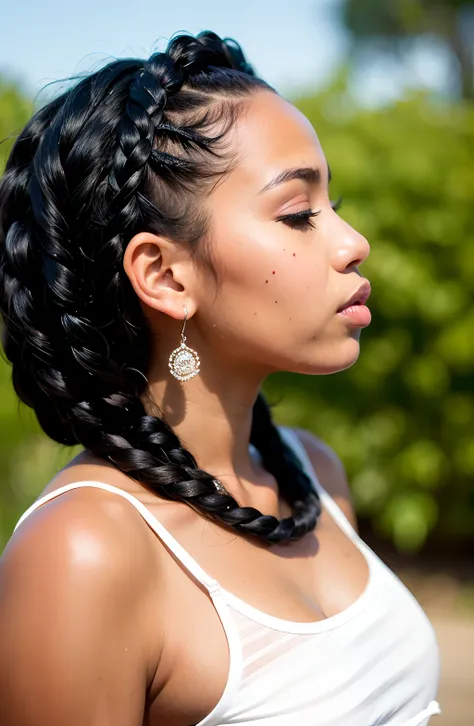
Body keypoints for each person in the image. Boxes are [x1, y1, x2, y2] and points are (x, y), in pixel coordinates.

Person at [0, 30, 441, 726]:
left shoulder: (312, 474)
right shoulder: (85, 552)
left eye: (334, 205)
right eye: (298, 214)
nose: (352, 242)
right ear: (165, 275)